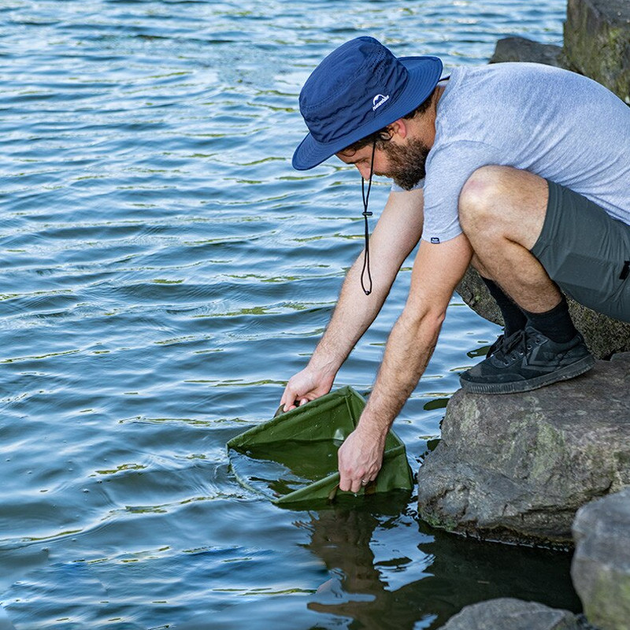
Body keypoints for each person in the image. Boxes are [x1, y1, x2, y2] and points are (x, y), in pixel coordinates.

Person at [280, 36, 630, 494]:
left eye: (361, 160)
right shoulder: (440, 116)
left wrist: (371, 431)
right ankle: (526, 334)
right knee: (451, 219)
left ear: (394, 128)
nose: (366, 175)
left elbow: (425, 313)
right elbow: (378, 260)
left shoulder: (462, 145)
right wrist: (321, 367)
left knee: (483, 200)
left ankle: (554, 345)